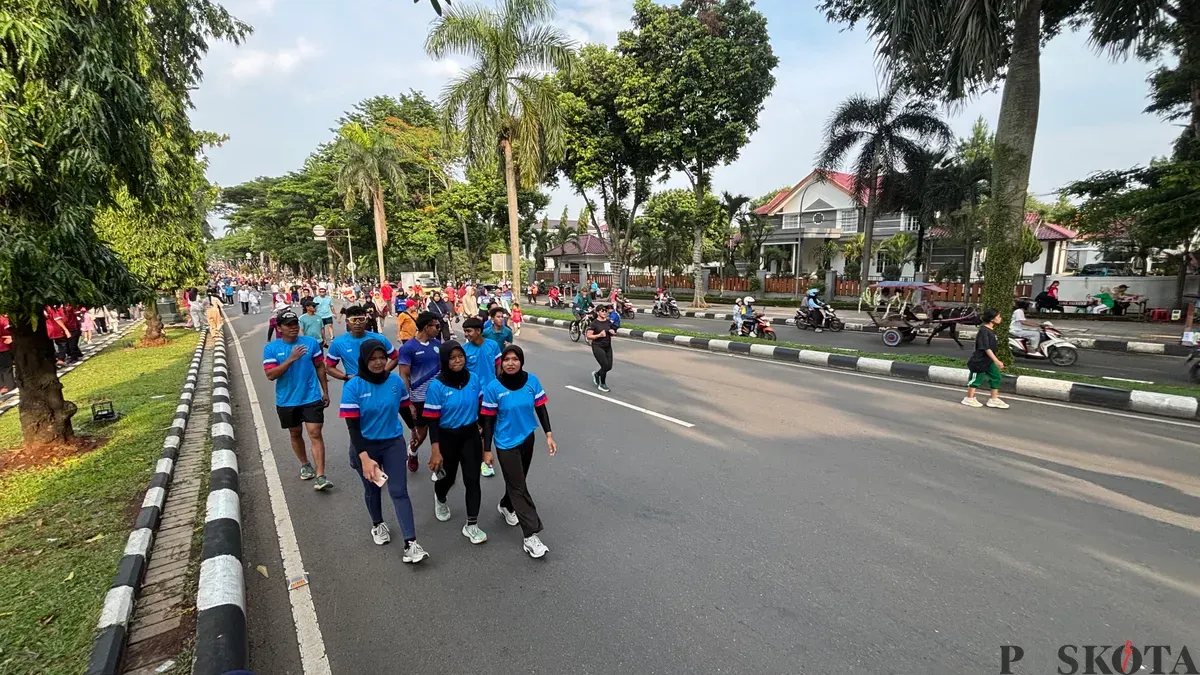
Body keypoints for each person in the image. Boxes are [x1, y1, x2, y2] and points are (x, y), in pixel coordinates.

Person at [340, 339, 428, 562]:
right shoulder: (354, 386)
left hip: (392, 444)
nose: (379, 362)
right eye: (373, 358)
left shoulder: (395, 382)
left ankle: (411, 544)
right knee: (374, 490)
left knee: (399, 491)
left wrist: (414, 430)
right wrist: (365, 458)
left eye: (382, 357)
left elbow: (404, 409)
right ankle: (378, 524)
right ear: (364, 360)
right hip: (366, 447)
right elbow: (352, 427)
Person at [481, 345, 556, 559]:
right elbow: (488, 420)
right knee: (519, 487)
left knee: (518, 481)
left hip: (527, 438)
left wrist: (548, 434)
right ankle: (530, 536)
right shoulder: (493, 387)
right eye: (506, 359)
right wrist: (487, 450)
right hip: (505, 443)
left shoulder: (532, 381)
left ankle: (506, 505)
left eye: (515, 359)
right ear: (501, 363)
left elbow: (541, 408)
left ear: (521, 361)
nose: (510, 363)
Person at [423, 341, 488, 544]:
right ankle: (440, 498)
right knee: (448, 479)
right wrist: (435, 450)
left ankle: (472, 525)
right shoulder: (436, 386)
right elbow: (432, 420)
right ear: (444, 360)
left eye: (460, 356)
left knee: (472, 480)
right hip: (446, 437)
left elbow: (480, 407)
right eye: (452, 357)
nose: (457, 360)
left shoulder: (474, 379)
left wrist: (484, 433)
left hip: (470, 436)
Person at [263, 308, 333, 490]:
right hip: (287, 400)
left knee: (315, 433)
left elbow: (319, 366)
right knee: (295, 433)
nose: (293, 328)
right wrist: (291, 359)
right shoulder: (271, 348)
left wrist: (325, 391)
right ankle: (305, 464)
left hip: (311, 397)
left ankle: (320, 475)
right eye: (288, 325)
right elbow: (270, 375)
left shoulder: (310, 343)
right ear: (279, 328)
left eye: (295, 324)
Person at [398, 312, 442, 474]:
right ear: (426, 327)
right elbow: (404, 375)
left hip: (438, 398)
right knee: (421, 435)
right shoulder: (408, 348)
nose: (439, 329)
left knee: (441, 431)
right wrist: (408, 402)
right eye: (436, 326)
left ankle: (439, 461)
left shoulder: (438, 344)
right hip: (419, 399)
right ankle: (413, 452)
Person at [461, 316, 501, 478]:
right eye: (465, 331)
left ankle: (485, 460)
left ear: (478, 331)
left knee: (488, 427)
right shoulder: (464, 350)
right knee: (478, 428)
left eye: (469, 331)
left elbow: (498, 369)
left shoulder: (493, 345)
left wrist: (500, 387)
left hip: (491, 395)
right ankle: (478, 458)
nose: (467, 334)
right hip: (473, 396)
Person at [325, 305, 399, 382]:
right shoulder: (338, 343)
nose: (357, 323)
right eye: (353, 320)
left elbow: (396, 357)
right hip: (354, 388)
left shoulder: (379, 339)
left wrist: (382, 372)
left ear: (366, 320)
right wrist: (346, 377)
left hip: (377, 385)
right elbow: (329, 368)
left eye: (361, 319)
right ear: (347, 321)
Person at [962, 309, 1008, 409]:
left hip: (989, 360)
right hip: (980, 360)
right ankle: (969, 398)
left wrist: (994, 360)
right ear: (992, 319)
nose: (1000, 318)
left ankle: (993, 399)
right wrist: (997, 361)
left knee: (996, 377)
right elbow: (986, 347)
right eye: (998, 316)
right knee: (975, 380)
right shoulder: (983, 330)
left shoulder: (991, 330)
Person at [587, 304, 617, 393]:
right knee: (604, 365)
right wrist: (599, 335)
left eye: (605, 311)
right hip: (598, 346)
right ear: (598, 312)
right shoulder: (594, 323)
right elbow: (588, 336)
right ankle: (602, 384)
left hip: (607, 346)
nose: (604, 312)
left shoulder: (608, 322)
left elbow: (612, 330)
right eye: (602, 311)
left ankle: (597, 374)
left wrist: (612, 332)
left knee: (609, 366)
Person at [0, 315, 13, 395]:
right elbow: (7, 331)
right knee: (7, 368)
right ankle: (10, 386)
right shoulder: (2, 320)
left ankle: (2, 387)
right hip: (2, 346)